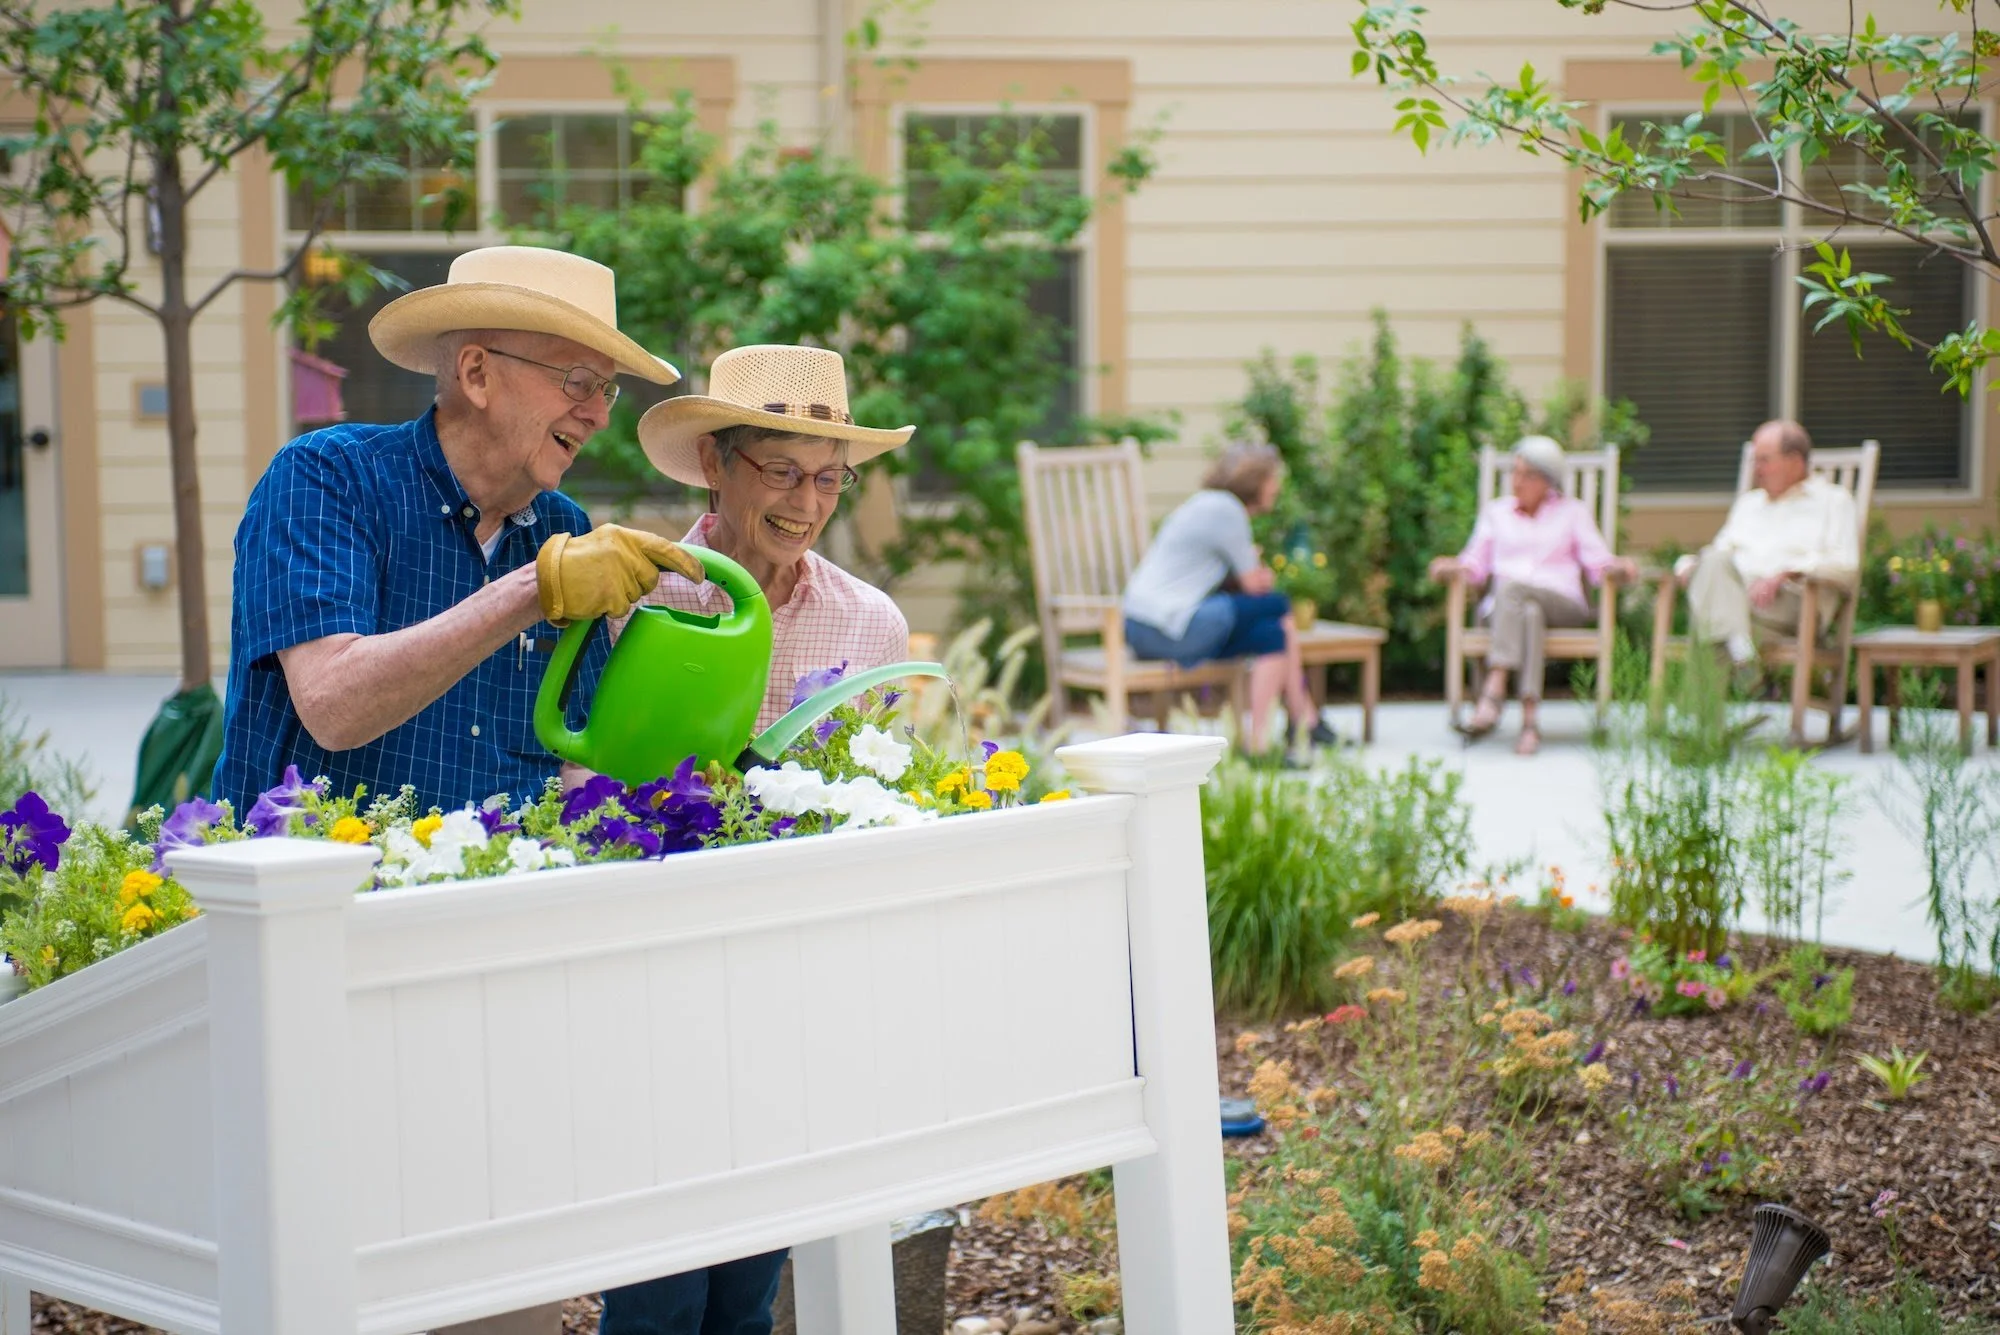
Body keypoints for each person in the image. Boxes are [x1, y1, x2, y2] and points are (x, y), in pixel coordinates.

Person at [212, 247, 703, 1335]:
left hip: (472, 994)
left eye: (607, 390)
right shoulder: (327, 480)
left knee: (495, 1301)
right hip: (306, 981)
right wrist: (526, 596)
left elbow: (571, 767)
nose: (594, 411)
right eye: (573, 380)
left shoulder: (566, 532)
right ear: (475, 371)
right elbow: (334, 702)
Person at [592, 342, 914, 1335]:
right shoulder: (635, 597)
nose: (806, 501)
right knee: (657, 1289)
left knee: (746, 1287)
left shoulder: (871, 625)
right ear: (715, 465)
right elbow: (585, 794)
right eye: (779, 470)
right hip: (657, 972)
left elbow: (879, 805)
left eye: (828, 478)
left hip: (790, 978)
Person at [1120, 442, 1336, 758]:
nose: (1277, 487)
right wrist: (1256, 573)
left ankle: (1262, 744)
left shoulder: (1206, 503)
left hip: (1150, 626)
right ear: (1255, 480)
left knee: (1272, 635)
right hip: (1166, 626)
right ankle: (1303, 719)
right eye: (1273, 479)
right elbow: (1255, 586)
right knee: (1277, 606)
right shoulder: (1226, 509)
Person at [1428, 436, 1636, 756]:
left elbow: (1598, 565)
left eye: (1527, 475)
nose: (1517, 481)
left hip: (1561, 603)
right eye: (1515, 472)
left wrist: (1619, 567)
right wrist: (1449, 566)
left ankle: (1494, 688)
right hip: (1503, 611)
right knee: (1527, 611)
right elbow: (1474, 565)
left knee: (1512, 587)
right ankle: (1529, 722)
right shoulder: (1497, 512)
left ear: (1548, 481)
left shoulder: (1572, 513)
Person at [1672, 418, 1859, 678]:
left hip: (1794, 603)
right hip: (1740, 602)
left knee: (1708, 616)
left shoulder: (1834, 502)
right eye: (1754, 460)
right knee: (1712, 572)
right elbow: (1719, 554)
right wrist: (1690, 565)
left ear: (1795, 461)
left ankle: (1704, 713)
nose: (1756, 469)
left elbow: (1846, 566)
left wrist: (1785, 574)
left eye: (1764, 460)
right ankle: (1741, 652)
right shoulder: (1749, 504)